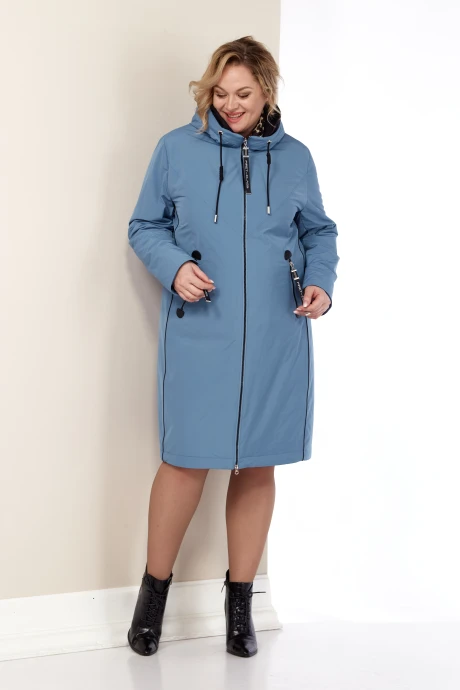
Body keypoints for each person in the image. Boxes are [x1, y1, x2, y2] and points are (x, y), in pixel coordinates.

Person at [126, 35, 339, 659]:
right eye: (220, 92)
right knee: (185, 461)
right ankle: (152, 598)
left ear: (267, 91)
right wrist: (173, 266)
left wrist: (321, 282)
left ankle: (240, 606)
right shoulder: (176, 149)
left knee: (257, 463)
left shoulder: (296, 158)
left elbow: (319, 232)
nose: (230, 104)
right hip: (201, 328)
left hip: (277, 332)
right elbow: (145, 225)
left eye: (243, 93)